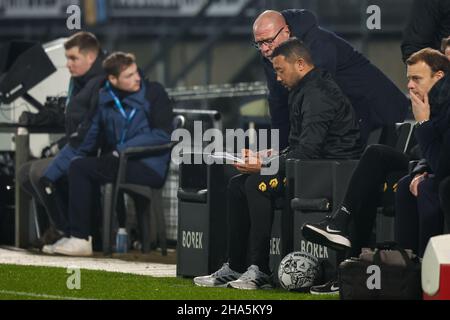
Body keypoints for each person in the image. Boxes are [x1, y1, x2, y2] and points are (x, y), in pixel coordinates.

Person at [193, 39, 362, 290]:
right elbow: (300, 146)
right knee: (237, 185)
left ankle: (259, 269)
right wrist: (267, 156)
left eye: (280, 70)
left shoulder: (319, 95)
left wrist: (264, 167)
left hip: (327, 173)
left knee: (256, 184)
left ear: (301, 64)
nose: (278, 77)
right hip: (309, 167)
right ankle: (235, 265)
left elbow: (308, 152)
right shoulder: (305, 90)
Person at [303, 48, 450, 293]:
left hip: (438, 173)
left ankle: (418, 274)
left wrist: (423, 124)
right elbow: (424, 153)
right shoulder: (435, 101)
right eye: (408, 78)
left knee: (412, 186)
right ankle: (348, 238)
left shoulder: (440, 105)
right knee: (376, 155)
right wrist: (420, 167)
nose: (410, 86)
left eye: (417, 79)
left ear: (439, 76)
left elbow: (441, 160)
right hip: (426, 165)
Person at [40, 52, 173, 256]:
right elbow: (84, 143)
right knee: (71, 167)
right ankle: (73, 234)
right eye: (128, 76)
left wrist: (122, 150)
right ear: (113, 79)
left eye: (135, 72)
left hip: (148, 165)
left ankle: (81, 238)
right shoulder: (104, 99)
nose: (136, 78)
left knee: (80, 168)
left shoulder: (154, 92)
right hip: (119, 162)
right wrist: (52, 173)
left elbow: (162, 135)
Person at [253, 9, 409, 149]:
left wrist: (290, 154)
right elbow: (278, 104)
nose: (265, 49)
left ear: (286, 31)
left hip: (377, 109)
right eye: (259, 43)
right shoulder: (271, 54)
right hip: (350, 116)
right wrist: (277, 151)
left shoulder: (316, 45)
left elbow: (317, 100)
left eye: (268, 41)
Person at [17, 32, 106, 248]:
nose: (67, 64)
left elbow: (92, 131)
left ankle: (66, 230)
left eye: (73, 58)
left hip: (90, 153)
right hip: (74, 148)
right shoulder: (79, 82)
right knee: (23, 173)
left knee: (38, 173)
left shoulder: (101, 84)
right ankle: (60, 225)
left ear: (90, 57)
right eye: (66, 58)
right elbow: (69, 117)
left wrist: (62, 149)